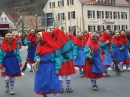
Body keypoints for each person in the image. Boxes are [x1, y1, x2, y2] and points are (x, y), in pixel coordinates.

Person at [34, 32, 61, 97]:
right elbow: (36, 55)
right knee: (43, 84)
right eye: (38, 39)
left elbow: (57, 58)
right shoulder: (39, 46)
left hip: (51, 67)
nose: (39, 40)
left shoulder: (54, 46)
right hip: (41, 68)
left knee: (54, 84)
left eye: (40, 38)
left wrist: (57, 68)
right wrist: (37, 58)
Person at [51, 28, 76, 93]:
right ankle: (68, 87)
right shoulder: (68, 40)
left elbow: (52, 50)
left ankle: (61, 88)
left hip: (59, 59)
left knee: (60, 75)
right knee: (68, 74)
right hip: (68, 58)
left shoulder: (54, 40)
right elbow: (72, 48)